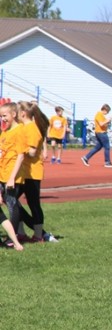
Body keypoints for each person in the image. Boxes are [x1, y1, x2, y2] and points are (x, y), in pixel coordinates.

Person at [14, 101, 49, 242]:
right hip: (22, 172)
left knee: (33, 204)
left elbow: (33, 152)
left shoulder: (32, 129)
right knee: (11, 200)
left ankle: (38, 235)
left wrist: (17, 149)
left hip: (32, 173)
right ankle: (21, 232)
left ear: (23, 113)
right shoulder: (22, 127)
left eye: (17, 111)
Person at [0, 103, 24, 250]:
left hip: (11, 175)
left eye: (5, 116)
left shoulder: (19, 131)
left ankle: (12, 238)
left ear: (14, 114)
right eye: (1, 116)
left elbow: (20, 156)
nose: (2, 119)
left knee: (11, 204)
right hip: (2, 173)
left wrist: (12, 178)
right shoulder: (5, 132)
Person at [81, 104, 112, 168]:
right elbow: (101, 124)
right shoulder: (99, 114)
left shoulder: (102, 116)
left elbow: (104, 124)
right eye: (107, 111)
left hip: (101, 132)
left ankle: (86, 157)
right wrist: (107, 120)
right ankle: (107, 162)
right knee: (107, 147)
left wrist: (108, 122)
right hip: (101, 133)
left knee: (97, 147)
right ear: (104, 110)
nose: (107, 113)